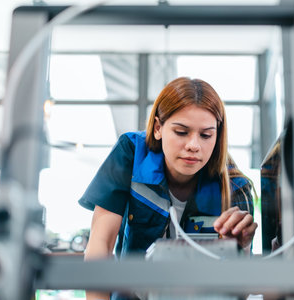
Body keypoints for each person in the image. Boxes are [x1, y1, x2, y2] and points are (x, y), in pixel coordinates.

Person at [79, 77, 257, 300]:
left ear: (218, 136)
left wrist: (244, 248)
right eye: (181, 132)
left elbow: (239, 290)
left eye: (206, 135)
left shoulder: (235, 188)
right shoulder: (131, 154)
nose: (193, 145)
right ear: (158, 128)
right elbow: (101, 244)